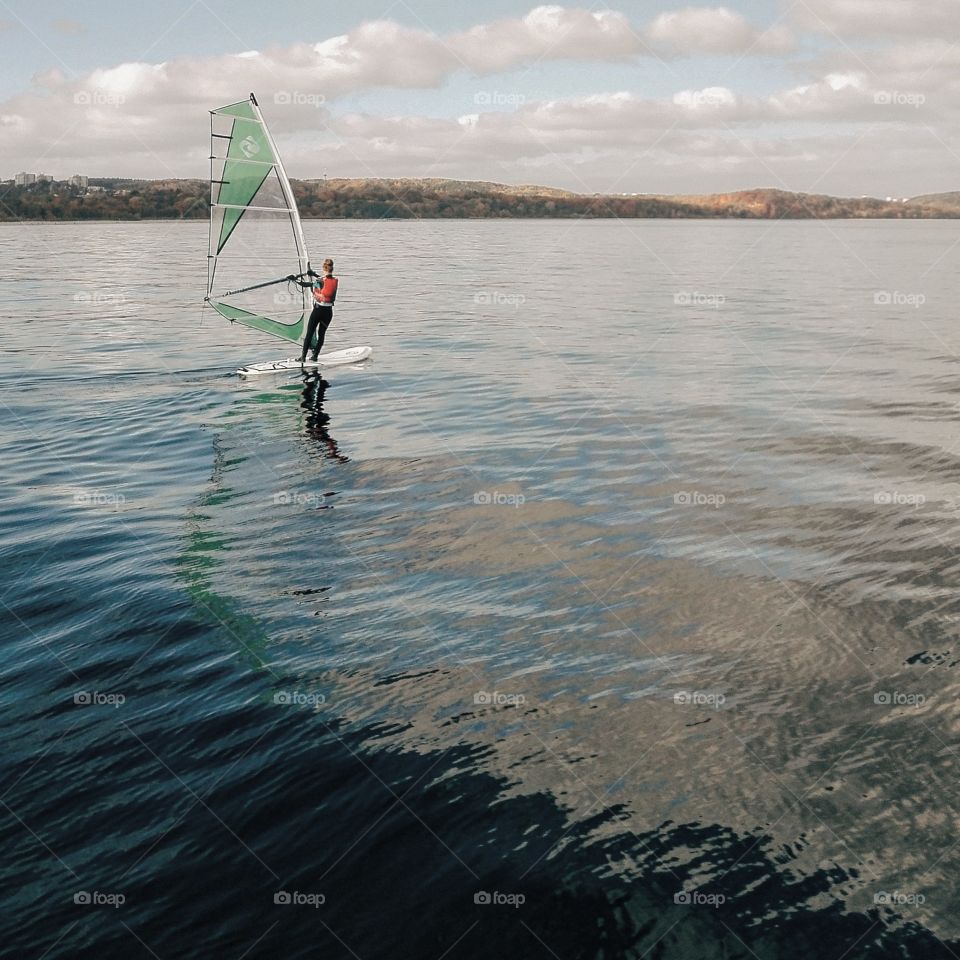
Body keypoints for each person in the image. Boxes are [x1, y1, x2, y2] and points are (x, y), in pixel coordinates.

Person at [288, 258, 338, 363]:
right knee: (322, 334)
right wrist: (314, 274)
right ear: (331, 269)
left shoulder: (319, 281)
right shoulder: (334, 280)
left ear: (324, 268)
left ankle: (303, 358)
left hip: (318, 311)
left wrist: (294, 280)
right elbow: (325, 280)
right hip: (328, 313)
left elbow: (306, 284)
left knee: (309, 334)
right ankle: (315, 356)